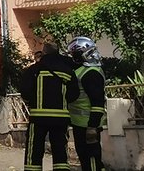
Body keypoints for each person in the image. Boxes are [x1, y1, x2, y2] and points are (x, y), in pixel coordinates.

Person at [19, 43, 80, 171]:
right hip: (60, 119)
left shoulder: (34, 70)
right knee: (60, 152)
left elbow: (24, 91)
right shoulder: (67, 71)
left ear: (44, 53)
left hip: (38, 118)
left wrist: (34, 100)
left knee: (34, 151)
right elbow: (74, 94)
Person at [68, 37, 107, 171]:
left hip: (88, 125)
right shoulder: (84, 70)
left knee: (91, 159)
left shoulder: (90, 74)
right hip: (81, 124)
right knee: (87, 159)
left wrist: (92, 126)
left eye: (75, 55)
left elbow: (98, 102)